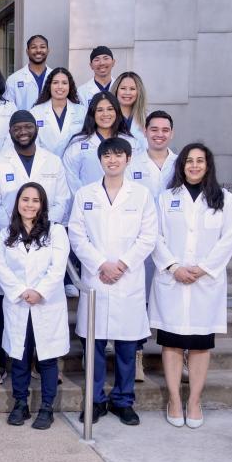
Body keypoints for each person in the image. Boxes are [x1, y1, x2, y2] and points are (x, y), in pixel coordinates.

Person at [68, 137, 157, 426]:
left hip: (127, 279)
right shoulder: (85, 194)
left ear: (128, 159)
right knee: (93, 346)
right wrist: (100, 265)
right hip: (96, 278)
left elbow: (148, 236)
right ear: (101, 160)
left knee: (127, 348)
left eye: (119, 155)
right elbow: (77, 235)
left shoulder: (141, 195)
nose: (113, 160)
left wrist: (122, 264)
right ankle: (95, 401)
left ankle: (123, 400)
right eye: (107, 156)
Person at [151, 143, 232, 429]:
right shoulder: (166, 198)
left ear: (208, 165)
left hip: (205, 283)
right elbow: (155, 236)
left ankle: (194, 401)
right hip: (173, 279)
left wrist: (202, 269)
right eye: (189, 160)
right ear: (181, 165)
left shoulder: (224, 199)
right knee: (173, 342)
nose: (194, 165)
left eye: (200, 161)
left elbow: (229, 239)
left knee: (201, 344)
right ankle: (175, 400)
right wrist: (175, 268)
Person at [0, 110, 70, 385]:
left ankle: (39, 362)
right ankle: (0, 358)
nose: (22, 130)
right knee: (2, 303)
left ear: (36, 129)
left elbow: (61, 201)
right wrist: (16, 232)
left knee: (40, 306)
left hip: (45, 242)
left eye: (27, 126)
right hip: (10, 243)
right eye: (17, 127)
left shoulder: (52, 162)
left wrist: (40, 230)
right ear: (9, 131)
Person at [0, 182, 70, 430]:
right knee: (20, 356)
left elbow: (58, 267)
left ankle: (47, 407)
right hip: (19, 303)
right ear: (17, 203)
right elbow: (0, 266)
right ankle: (20, 404)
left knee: (47, 358)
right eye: (25, 199)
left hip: (45, 302)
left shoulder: (56, 232)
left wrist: (39, 291)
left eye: (35, 200)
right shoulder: (6, 233)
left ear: (43, 205)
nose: (29, 205)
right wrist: (20, 291)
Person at [127, 109, 178, 382]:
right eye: (154, 129)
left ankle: (179, 357)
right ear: (144, 132)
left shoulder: (182, 163)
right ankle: (138, 356)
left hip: (173, 245)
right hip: (141, 243)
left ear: (171, 133)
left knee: (173, 302)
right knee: (140, 301)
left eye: (165, 130)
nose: (159, 134)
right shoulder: (131, 162)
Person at [62, 92, 143, 194]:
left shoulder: (132, 143)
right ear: (92, 114)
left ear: (117, 112)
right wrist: (85, 198)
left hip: (124, 203)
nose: (105, 114)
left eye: (110, 109)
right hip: (89, 203)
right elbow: (70, 178)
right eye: (99, 110)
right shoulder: (77, 144)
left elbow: (137, 175)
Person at [30, 67, 86, 157]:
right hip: (45, 164)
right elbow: (33, 142)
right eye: (55, 83)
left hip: (74, 165)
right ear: (49, 86)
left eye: (64, 83)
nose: (60, 87)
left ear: (69, 86)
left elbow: (85, 140)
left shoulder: (82, 111)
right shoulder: (36, 112)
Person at [5, 35, 51, 111]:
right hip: (24, 122)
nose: (38, 50)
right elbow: (8, 110)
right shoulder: (14, 79)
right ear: (27, 51)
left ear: (48, 50)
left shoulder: (55, 77)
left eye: (42, 47)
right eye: (33, 47)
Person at [113, 71, 149, 148]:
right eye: (123, 88)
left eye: (132, 89)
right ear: (116, 90)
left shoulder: (148, 118)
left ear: (139, 92)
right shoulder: (107, 117)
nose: (127, 92)